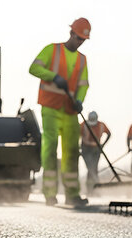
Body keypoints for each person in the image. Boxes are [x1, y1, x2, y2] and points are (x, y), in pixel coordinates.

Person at [29, 18, 91, 207]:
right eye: (78, 37)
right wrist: (53, 76)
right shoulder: (52, 50)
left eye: (83, 39)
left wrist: (79, 100)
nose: (80, 41)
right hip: (51, 107)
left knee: (72, 151)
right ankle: (50, 193)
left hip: (70, 110)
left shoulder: (82, 59)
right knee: (50, 148)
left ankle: (72, 194)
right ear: (71, 33)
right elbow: (34, 68)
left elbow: (83, 84)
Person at [80, 111, 111, 193]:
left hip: (96, 150)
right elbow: (76, 135)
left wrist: (103, 145)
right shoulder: (83, 125)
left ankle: (93, 190)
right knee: (90, 168)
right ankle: (93, 188)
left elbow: (109, 133)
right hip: (86, 149)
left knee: (94, 168)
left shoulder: (101, 125)